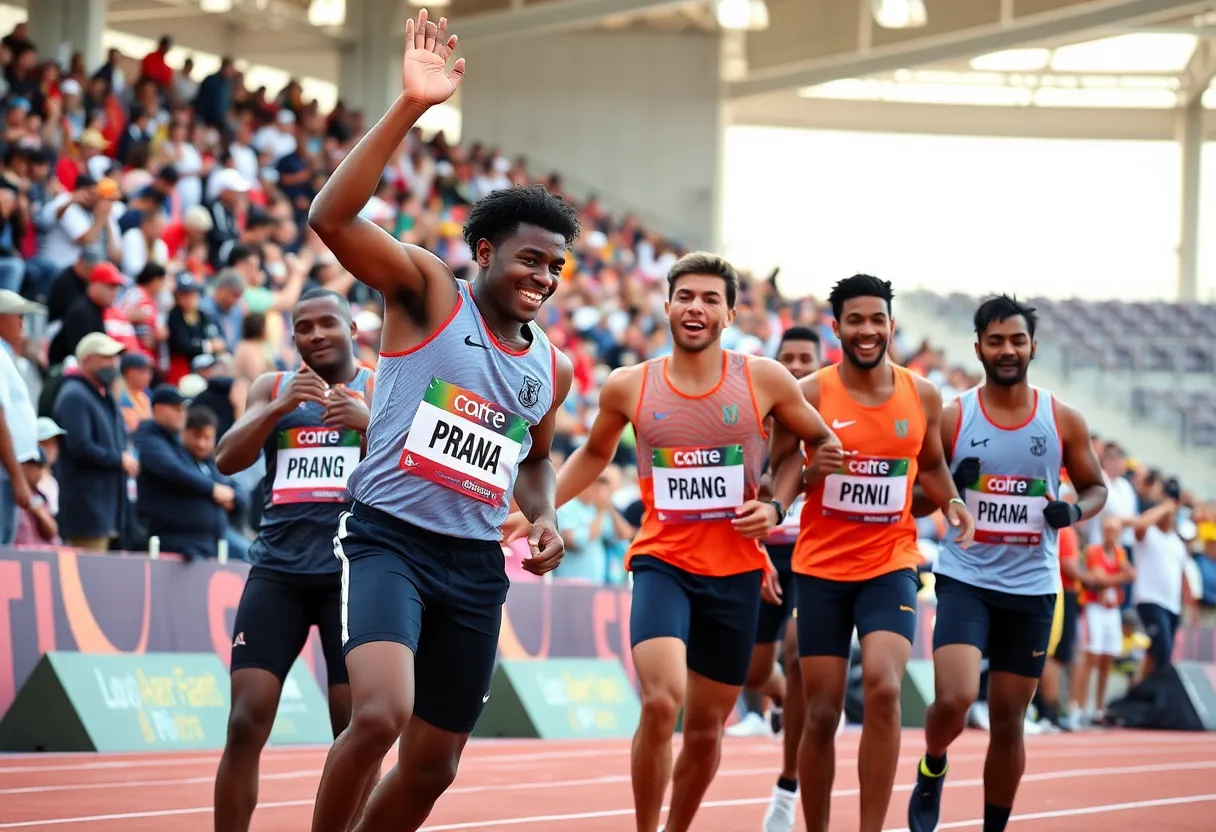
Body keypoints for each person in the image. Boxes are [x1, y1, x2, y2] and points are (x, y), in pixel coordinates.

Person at [306, 11, 577, 832]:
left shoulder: (551, 366)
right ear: (486, 252)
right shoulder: (427, 292)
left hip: (474, 565)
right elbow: (333, 219)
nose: (545, 276)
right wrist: (410, 109)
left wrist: (546, 514)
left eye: (557, 266)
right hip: (388, 537)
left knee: (434, 765)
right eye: (532, 258)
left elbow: (533, 458)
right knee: (381, 716)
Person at [506, 252, 842, 832]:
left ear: (731, 312)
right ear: (665, 306)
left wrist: (777, 504)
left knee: (707, 727)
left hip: (735, 570)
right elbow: (593, 454)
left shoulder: (763, 378)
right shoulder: (628, 385)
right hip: (663, 561)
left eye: (711, 299)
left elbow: (821, 446)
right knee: (662, 703)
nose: (696, 307)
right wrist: (538, 510)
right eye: (686, 296)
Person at [768, 274, 974, 832]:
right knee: (822, 710)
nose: (866, 330)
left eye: (876, 319)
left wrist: (951, 499)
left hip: (891, 562)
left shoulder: (921, 394)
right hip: (821, 570)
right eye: (854, 320)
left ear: (890, 324)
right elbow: (779, 474)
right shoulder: (808, 392)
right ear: (837, 327)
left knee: (884, 688)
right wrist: (812, 474)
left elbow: (929, 464)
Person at [905, 294, 1107, 832]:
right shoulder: (954, 417)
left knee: (1009, 721)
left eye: (1017, 339)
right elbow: (919, 500)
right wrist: (954, 485)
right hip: (966, 577)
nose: (1007, 349)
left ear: (1033, 346)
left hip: (1031, 588)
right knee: (954, 698)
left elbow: (1095, 487)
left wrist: (1074, 510)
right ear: (978, 348)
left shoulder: (1061, 418)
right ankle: (933, 764)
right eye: (995, 340)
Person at [212, 289, 374, 832]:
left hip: (350, 574)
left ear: (353, 328)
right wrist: (279, 408)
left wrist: (368, 422)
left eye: (328, 323)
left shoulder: (380, 385)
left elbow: (418, 465)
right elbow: (227, 459)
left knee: (352, 728)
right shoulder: (272, 387)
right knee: (245, 719)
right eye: (304, 327)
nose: (316, 334)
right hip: (278, 570)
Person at [749, 325, 821, 832]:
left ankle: (788, 783)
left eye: (806, 358)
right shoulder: (753, 416)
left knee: (798, 654)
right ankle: (782, 702)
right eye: (788, 357)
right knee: (752, 674)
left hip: (813, 556)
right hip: (761, 555)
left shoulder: (828, 423)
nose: (796, 366)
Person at [1072, 515, 1135, 722]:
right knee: (1091, 656)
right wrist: (1120, 578)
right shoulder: (1094, 551)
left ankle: (1098, 707)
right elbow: (1099, 578)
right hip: (1094, 608)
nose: (1111, 534)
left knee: (1107, 659)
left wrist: (1112, 580)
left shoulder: (1120, 553)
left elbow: (1130, 575)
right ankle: (1078, 706)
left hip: (1111, 608)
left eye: (1115, 530)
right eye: (1107, 529)